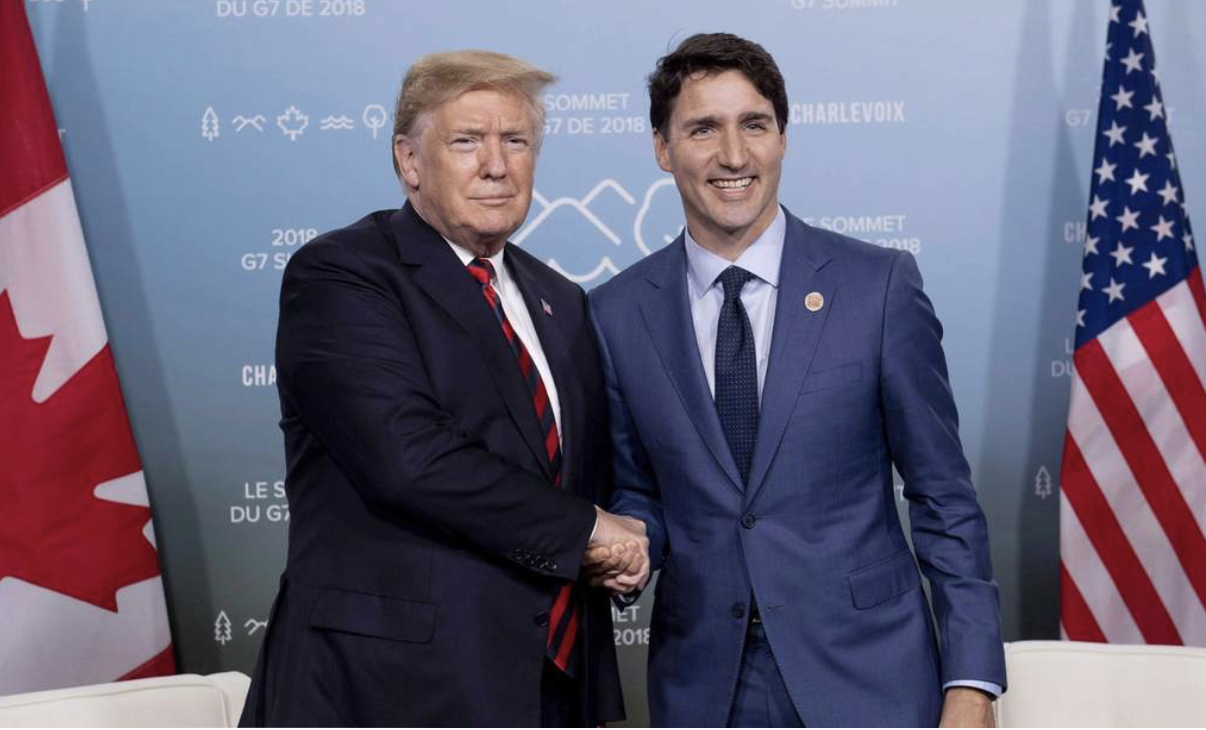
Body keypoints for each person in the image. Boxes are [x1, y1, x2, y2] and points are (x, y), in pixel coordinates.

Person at [588, 33, 1006, 727]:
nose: (733, 155)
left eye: (754, 125)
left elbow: (944, 498)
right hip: (705, 688)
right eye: (702, 129)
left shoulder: (878, 288)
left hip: (870, 676)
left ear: (783, 137)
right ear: (662, 148)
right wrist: (629, 547)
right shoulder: (613, 314)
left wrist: (970, 683)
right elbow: (640, 490)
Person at [239, 50, 647, 727]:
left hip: (551, 688)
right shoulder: (345, 275)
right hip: (390, 691)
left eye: (515, 141)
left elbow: (582, 477)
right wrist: (588, 530)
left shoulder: (561, 299)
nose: (496, 164)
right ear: (408, 160)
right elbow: (409, 459)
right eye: (467, 141)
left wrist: (625, 544)